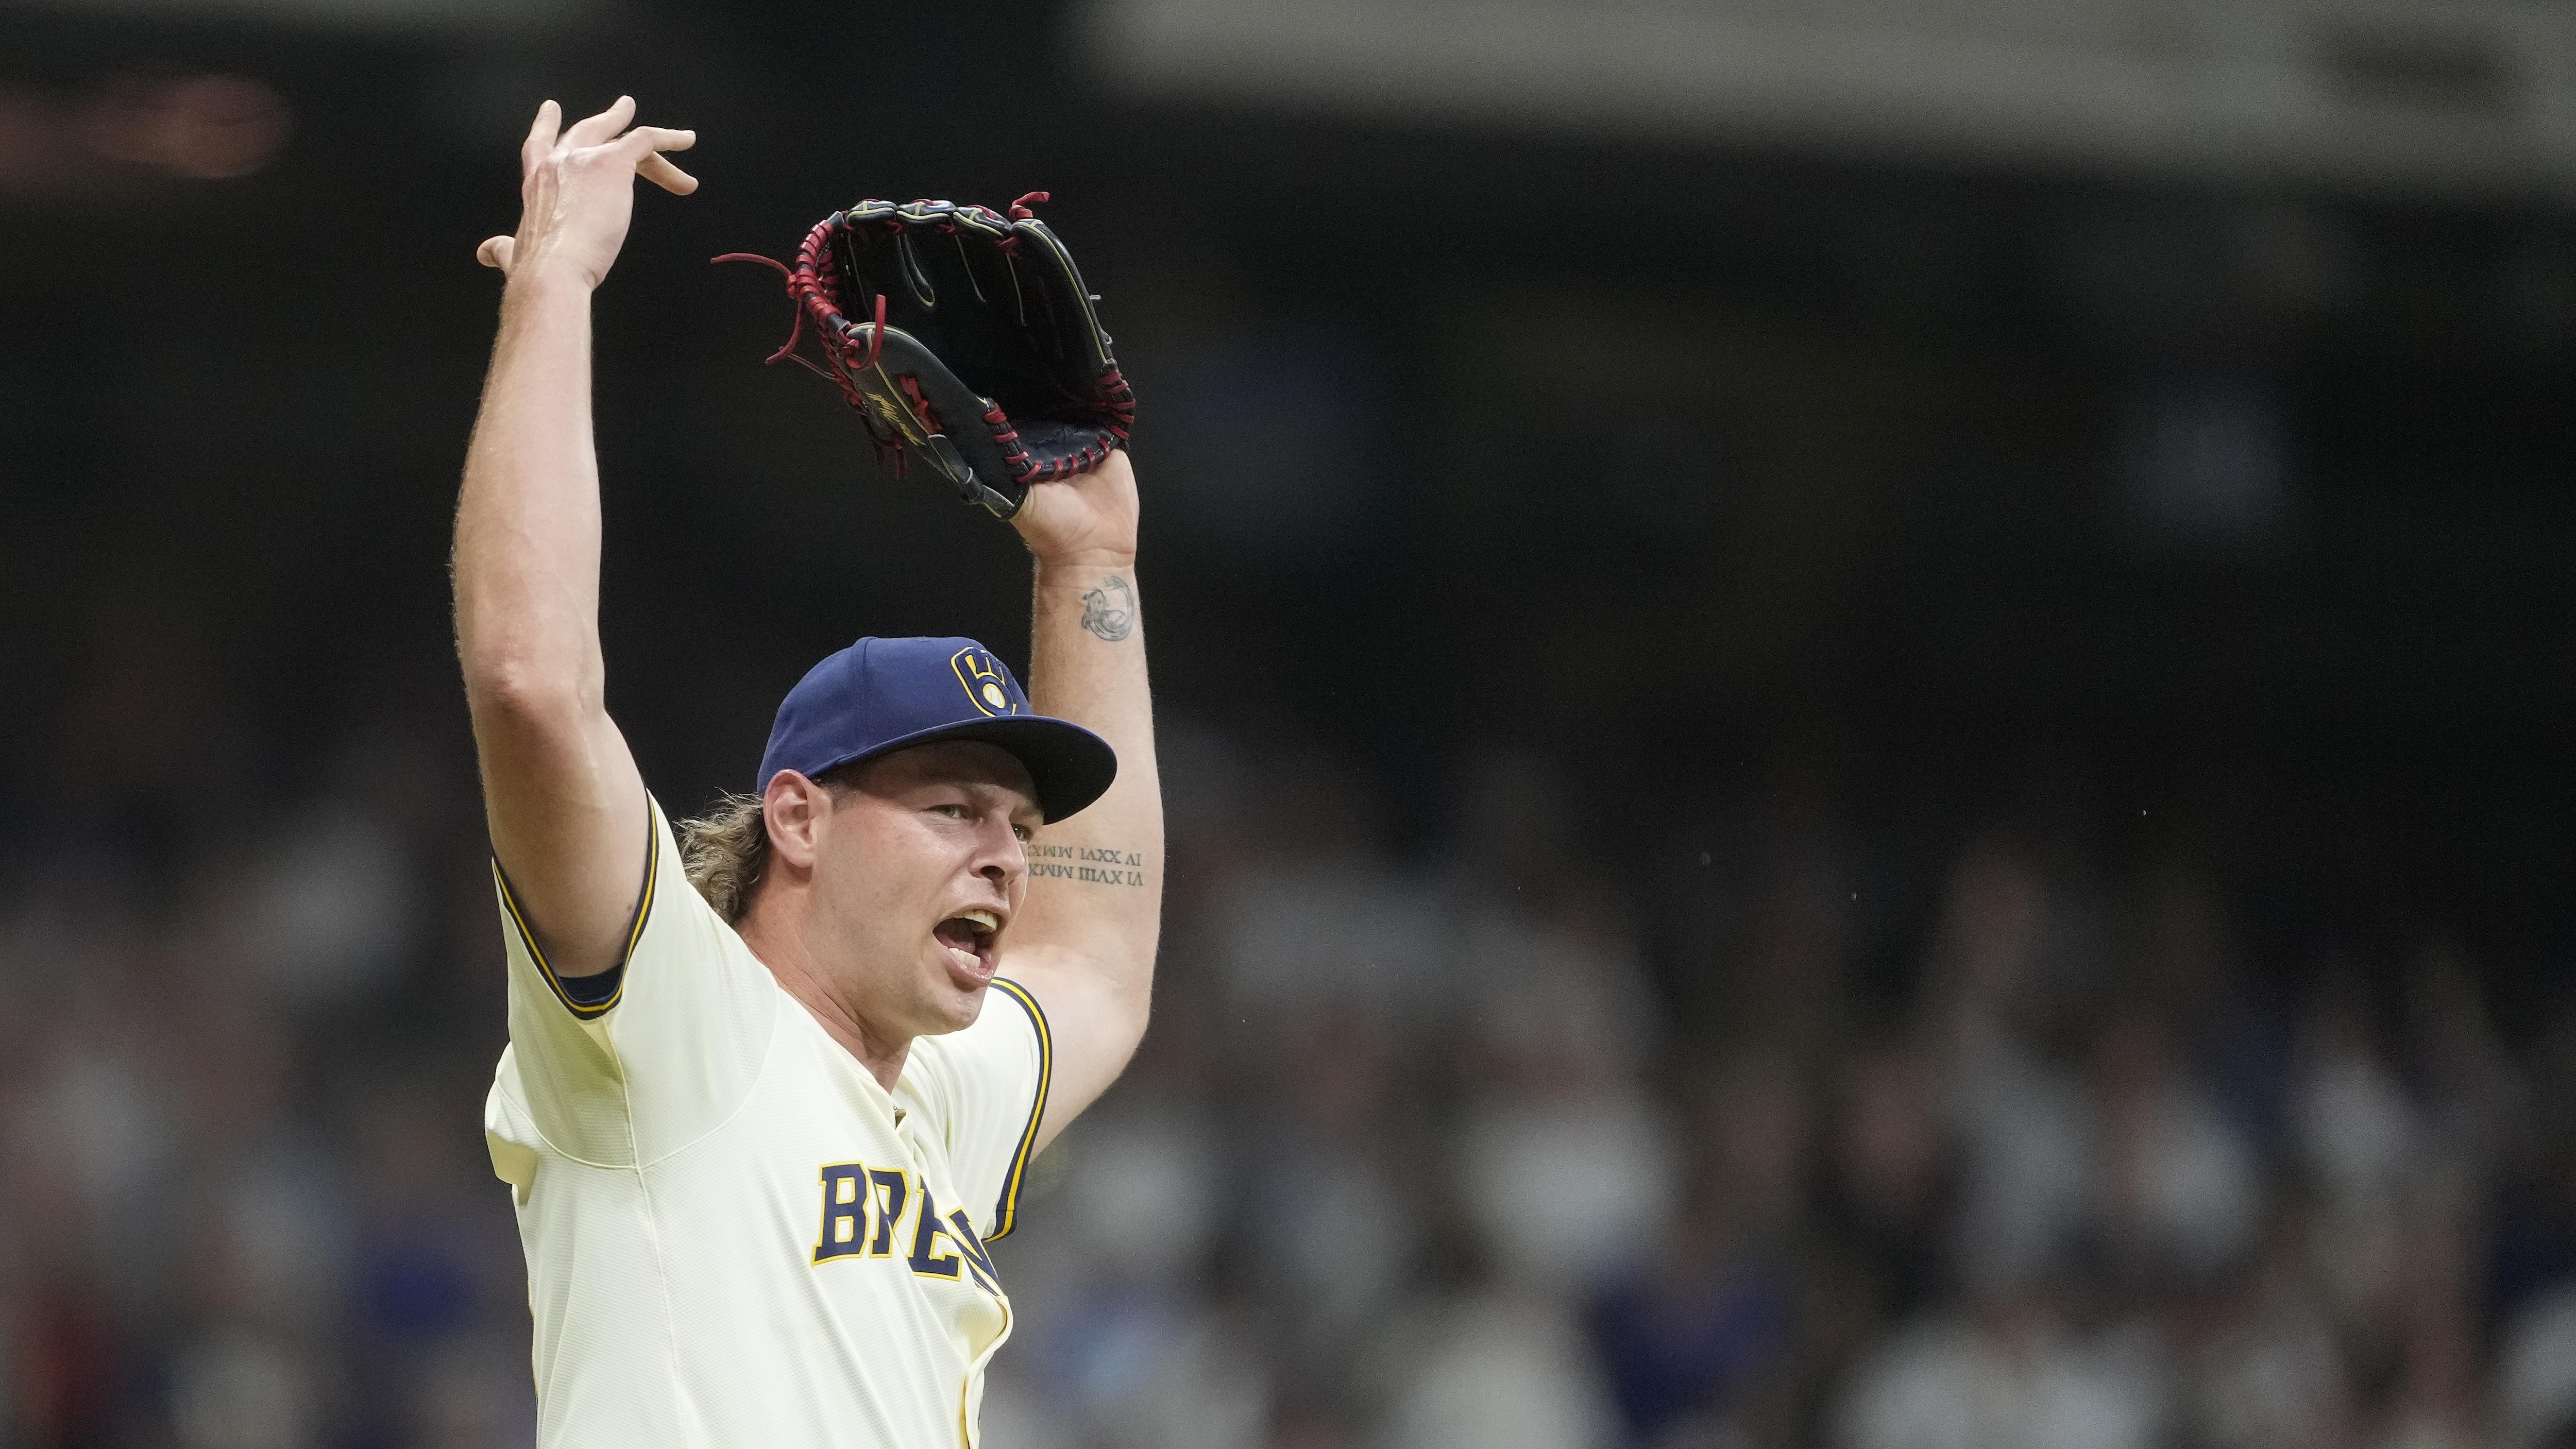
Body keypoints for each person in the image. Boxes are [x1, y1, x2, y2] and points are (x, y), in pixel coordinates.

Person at [452, 96, 1161, 1446]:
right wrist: (555, 283)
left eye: (1019, 821)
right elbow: (533, 688)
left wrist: (1092, 567)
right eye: (953, 807)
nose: (1008, 854)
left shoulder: (936, 1101)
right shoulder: (675, 1029)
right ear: (800, 816)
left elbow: (1101, 968)